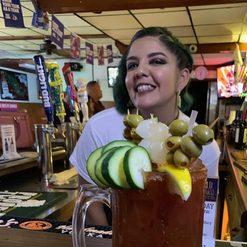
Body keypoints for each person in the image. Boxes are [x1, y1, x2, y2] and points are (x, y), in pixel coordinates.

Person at [70, 27, 221, 225]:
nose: (139, 71)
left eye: (157, 61)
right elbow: (89, 202)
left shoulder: (205, 146)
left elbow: (205, 214)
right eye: (132, 65)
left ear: (182, 78)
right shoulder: (99, 128)